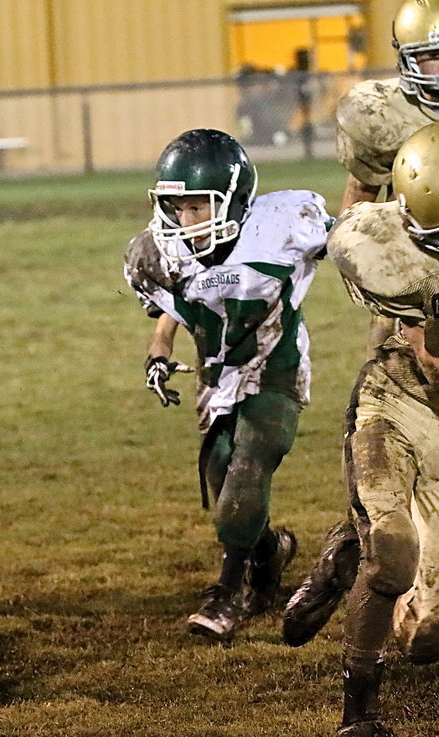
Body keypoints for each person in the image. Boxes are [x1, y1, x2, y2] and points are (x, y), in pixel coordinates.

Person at [284, 0, 439, 648]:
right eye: (432, 54)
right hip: (419, 292)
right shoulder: (380, 117)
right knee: (385, 435)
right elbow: (359, 200)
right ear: (405, 62)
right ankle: (353, 551)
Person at [317, 121, 439, 737]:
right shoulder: (385, 246)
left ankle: (344, 556)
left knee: (429, 638)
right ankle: (355, 724)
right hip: (398, 401)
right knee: (391, 554)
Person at [123, 129, 331, 643]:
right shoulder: (156, 254)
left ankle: (225, 594)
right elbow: (171, 310)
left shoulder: (283, 226)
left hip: (276, 364)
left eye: (198, 207)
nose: (186, 221)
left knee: (249, 462)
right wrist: (158, 352)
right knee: (226, 482)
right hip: (218, 379)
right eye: (177, 207)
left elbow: (351, 240)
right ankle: (268, 555)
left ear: (236, 201)